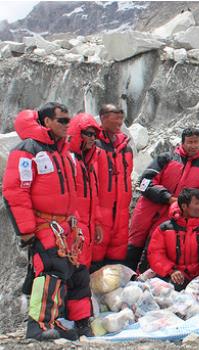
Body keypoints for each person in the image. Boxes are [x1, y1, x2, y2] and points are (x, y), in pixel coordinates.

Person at [2, 103, 79, 340]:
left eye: (69, 120)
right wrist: (26, 230)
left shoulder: (62, 152)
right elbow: (16, 191)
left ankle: (53, 319)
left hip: (62, 225)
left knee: (62, 271)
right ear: (46, 122)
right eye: (62, 120)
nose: (67, 125)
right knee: (47, 272)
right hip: (44, 224)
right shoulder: (28, 150)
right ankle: (38, 325)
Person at [127, 127, 199, 272]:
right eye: (189, 142)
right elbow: (144, 182)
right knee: (134, 244)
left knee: (155, 246)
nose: (193, 146)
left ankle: (143, 280)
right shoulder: (166, 158)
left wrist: (186, 200)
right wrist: (167, 197)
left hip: (174, 213)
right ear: (182, 143)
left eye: (196, 142)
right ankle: (126, 276)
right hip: (148, 207)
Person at [65, 113, 105, 336]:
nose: (92, 138)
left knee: (80, 273)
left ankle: (78, 320)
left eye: (94, 134)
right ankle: (74, 320)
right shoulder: (69, 160)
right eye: (88, 133)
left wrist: (96, 224)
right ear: (77, 134)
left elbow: (93, 198)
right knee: (74, 273)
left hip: (85, 227)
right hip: (73, 227)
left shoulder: (87, 162)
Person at [93, 104, 133, 271]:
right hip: (100, 215)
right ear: (103, 118)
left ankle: (109, 296)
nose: (119, 121)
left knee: (115, 265)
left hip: (121, 215)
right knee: (94, 261)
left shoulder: (126, 148)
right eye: (115, 117)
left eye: (121, 118)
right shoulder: (93, 145)